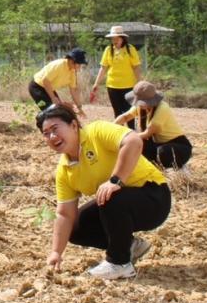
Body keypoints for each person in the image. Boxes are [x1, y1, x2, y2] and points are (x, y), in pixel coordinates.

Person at [38, 104, 170, 279]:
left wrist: (115, 180)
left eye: (55, 129)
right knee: (76, 227)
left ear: (73, 125)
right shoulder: (64, 169)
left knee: (109, 195)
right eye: (46, 134)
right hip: (121, 205)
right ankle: (129, 246)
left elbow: (133, 141)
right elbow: (65, 215)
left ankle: (119, 262)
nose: (52, 137)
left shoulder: (97, 131)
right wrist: (56, 252)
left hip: (154, 198)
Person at [114, 81, 192, 169]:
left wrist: (125, 138)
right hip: (158, 144)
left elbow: (147, 133)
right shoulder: (140, 107)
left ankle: (176, 167)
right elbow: (125, 117)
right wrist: (112, 128)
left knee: (162, 152)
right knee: (137, 146)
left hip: (178, 146)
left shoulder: (162, 108)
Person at [90, 25, 143, 118]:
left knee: (129, 111)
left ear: (122, 38)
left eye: (116, 39)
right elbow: (103, 68)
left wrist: (140, 83)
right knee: (117, 112)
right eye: (112, 39)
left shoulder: (130, 49)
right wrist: (96, 83)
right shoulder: (108, 50)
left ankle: (131, 130)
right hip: (112, 86)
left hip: (128, 86)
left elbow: (136, 67)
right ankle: (119, 131)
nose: (114, 41)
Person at [29, 48, 88, 112]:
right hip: (37, 87)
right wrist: (53, 98)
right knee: (51, 110)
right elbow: (45, 81)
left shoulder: (72, 71)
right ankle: (40, 119)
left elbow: (73, 91)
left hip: (49, 88)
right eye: (79, 64)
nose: (80, 66)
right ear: (72, 61)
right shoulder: (59, 65)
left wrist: (79, 108)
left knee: (60, 110)